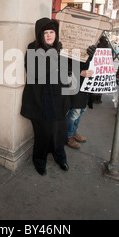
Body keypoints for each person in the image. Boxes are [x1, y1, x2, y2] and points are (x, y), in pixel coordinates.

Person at [20, 17, 70, 176]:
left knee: (59, 132)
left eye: (52, 32)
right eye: (45, 32)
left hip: (58, 98)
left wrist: (87, 56)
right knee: (42, 134)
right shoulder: (32, 48)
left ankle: (59, 156)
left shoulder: (61, 48)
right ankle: (39, 160)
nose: (49, 35)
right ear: (40, 35)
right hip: (39, 99)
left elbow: (70, 70)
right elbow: (36, 72)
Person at [66, 46, 96, 149]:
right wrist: (79, 72)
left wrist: (92, 56)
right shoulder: (68, 45)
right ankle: (68, 136)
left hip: (85, 84)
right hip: (74, 83)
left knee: (81, 110)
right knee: (75, 112)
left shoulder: (89, 46)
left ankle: (73, 132)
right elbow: (62, 67)